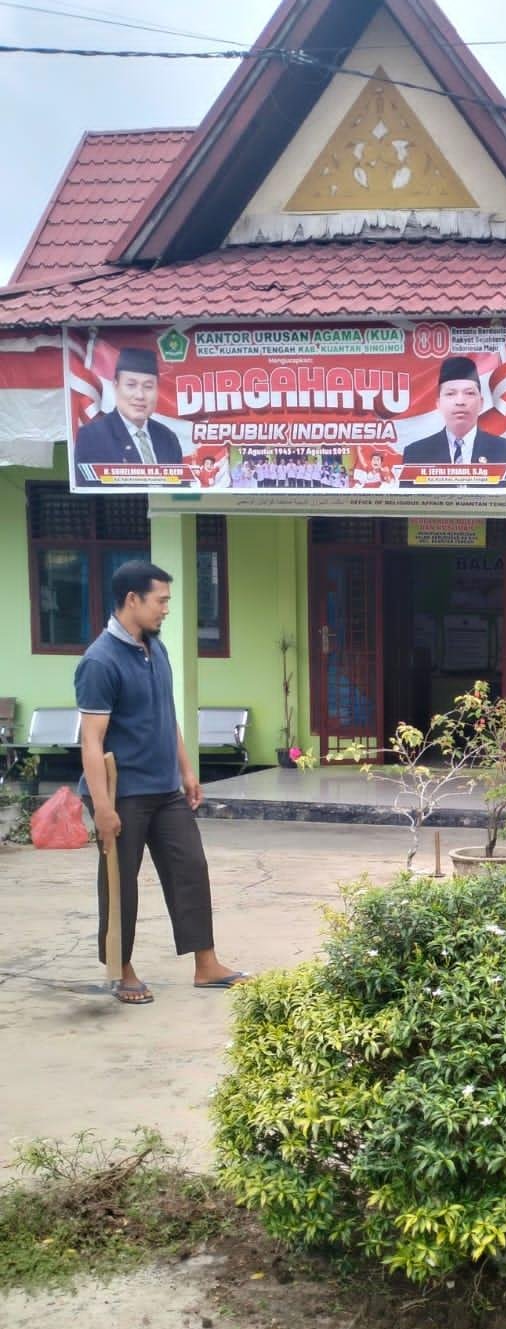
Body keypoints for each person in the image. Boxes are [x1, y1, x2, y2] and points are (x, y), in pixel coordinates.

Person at [74, 559, 248, 1004]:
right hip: (122, 794)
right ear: (132, 600)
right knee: (120, 883)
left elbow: (166, 716)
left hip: (165, 787)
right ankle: (122, 968)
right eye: (161, 600)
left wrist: (187, 771)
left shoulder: (155, 648)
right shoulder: (99, 661)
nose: (166, 609)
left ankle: (206, 964)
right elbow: (90, 742)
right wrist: (104, 808)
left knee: (191, 868)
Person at [73, 347, 184, 484]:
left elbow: (179, 489)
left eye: (148, 387)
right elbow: (89, 489)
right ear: (115, 385)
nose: (140, 395)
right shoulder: (93, 436)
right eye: (131, 385)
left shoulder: (168, 438)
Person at [404, 356, 506, 480]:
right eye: (450, 394)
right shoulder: (415, 454)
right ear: (438, 404)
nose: (460, 402)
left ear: (481, 403)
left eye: (469, 393)